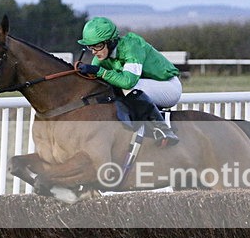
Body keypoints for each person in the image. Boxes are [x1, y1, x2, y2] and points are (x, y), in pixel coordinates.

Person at [76, 17, 181, 146]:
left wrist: (100, 72)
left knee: (128, 88)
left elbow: (127, 82)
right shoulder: (101, 57)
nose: (93, 51)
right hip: (147, 87)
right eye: (90, 46)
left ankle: (163, 130)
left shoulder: (132, 47)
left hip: (168, 87)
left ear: (111, 42)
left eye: (98, 46)